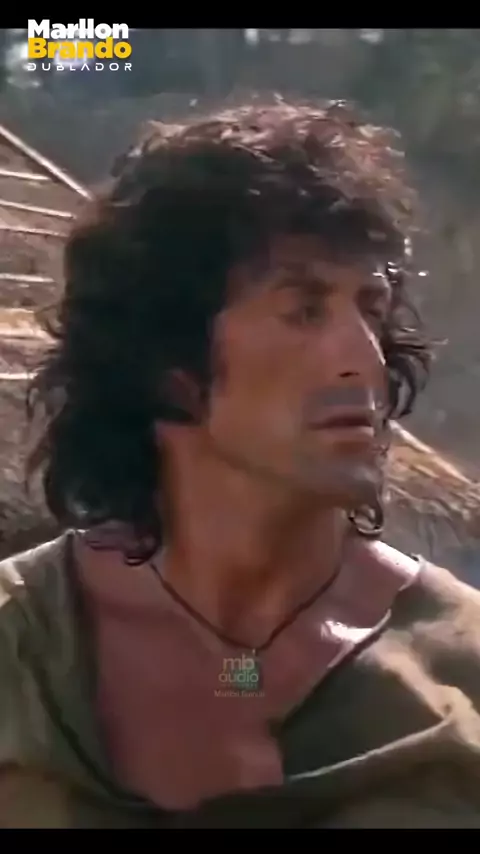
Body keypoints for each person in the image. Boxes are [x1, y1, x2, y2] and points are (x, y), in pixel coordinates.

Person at [2, 100, 480, 829]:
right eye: (304, 311)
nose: (364, 359)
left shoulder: (461, 673)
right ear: (170, 363)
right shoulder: (21, 651)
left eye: (371, 308)